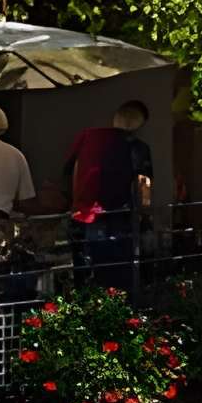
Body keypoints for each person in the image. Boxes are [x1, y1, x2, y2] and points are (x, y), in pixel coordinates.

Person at [66, 100, 155, 287]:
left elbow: (70, 172)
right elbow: (144, 185)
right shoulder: (137, 147)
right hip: (116, 218)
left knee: (87, 274)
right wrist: (145, 215)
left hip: (82, 216)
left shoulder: (88, 138)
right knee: (117, 276)